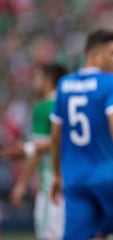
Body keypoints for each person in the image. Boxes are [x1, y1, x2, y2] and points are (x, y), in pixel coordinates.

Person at [50, 29, 113, 240]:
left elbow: (56, 136)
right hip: (110, 177)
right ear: (94, 55)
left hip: (75, 179)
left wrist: (57, 173)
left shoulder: (64, 85)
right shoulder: (111, 82)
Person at [0, 63, 67, 240]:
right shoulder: (68, 105)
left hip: (51, 185)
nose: (34, 82)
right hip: (73, 183)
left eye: (38, 78)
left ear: (49, 80)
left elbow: (37, 150)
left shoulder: (44, 107)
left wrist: (22, 183)